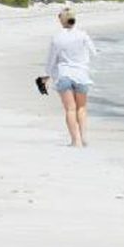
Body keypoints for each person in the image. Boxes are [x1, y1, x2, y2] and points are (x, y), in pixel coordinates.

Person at [42, 8, 97, 147]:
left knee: (70, 109)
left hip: (64, 74)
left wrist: (47, 75)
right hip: (81, 75)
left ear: (62, 20)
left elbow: (51, 60)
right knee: (81, 108)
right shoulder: (83, 35)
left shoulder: (57, 38)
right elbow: (94, 52)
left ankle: (75, 141)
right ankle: (84, 138)